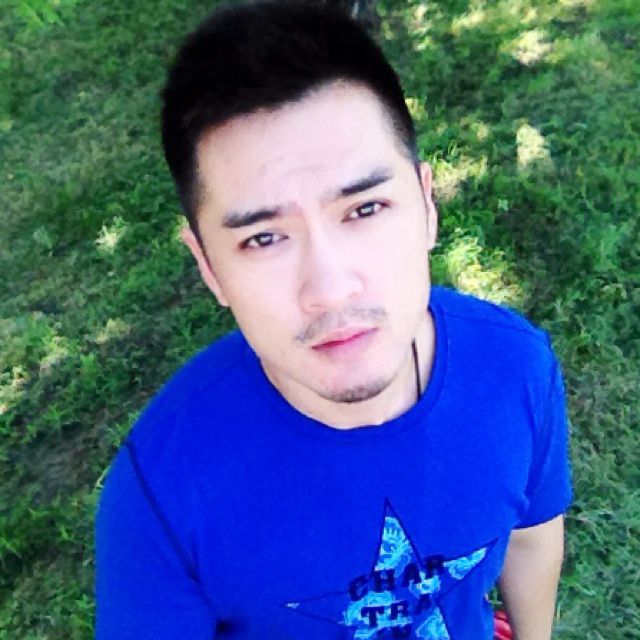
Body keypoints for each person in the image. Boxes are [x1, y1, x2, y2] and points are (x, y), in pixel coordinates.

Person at [95, 2, 573, 638]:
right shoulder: (161, 496)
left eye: (365, 208)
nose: (329, 289)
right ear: (208, 267)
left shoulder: (516, 369)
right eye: (264, 238)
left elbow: (532, 539)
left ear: (427, 205)